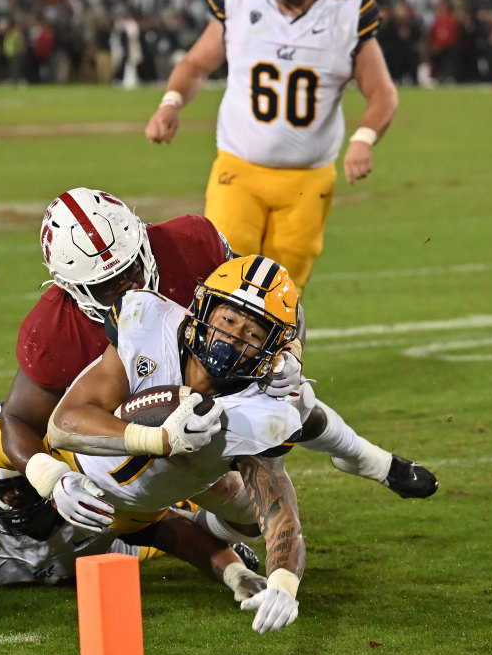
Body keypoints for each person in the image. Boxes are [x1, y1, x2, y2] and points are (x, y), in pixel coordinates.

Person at [0, 188, 435, 535]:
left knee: (293, 398)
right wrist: (49, 477)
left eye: (133, 267)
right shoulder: (53, 330)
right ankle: (200, 532)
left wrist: (290, 353)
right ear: (70, 288)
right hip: (132, 427)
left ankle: (365, 458)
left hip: (220, 380)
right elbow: (17, 419)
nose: (130, 284)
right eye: (108, 284)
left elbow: (278, 302)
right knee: (248, 518)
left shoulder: (189, 242)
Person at [46, 255, 309, 634]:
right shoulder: (149, 324)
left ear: (272, 349)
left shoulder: (265, 409)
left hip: (151, 500)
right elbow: (63, 422)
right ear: (204, 307)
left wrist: (284, 583)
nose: (233, 338)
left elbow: (280, 513)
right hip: (77, 467)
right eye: (229, 320)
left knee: (252, 516)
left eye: (253, 335)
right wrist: (158, 439)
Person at [143, 0, 399, 290]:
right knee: (222, 281)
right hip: (239, 171)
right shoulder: (240, 0)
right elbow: (196, 64)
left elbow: (382, 92)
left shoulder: (346, 13)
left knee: (281, 295)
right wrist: (171, 102)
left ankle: (283, 353)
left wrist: (363, 139)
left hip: (307, 182)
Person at [0, 402, 266, 612]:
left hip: (96, 549)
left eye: (21, 489)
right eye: (2, 492)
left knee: (198, 520)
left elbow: (173, 531)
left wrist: (234, 573)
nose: (13, 501)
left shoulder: (81, 491)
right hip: (79, 551)